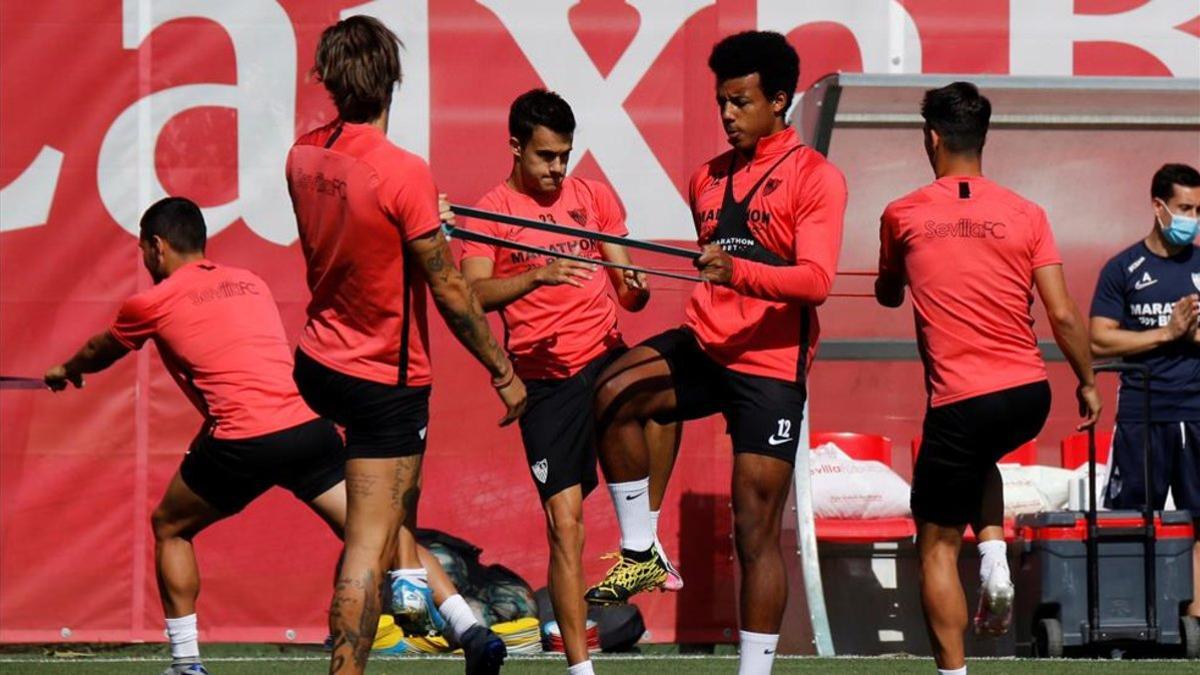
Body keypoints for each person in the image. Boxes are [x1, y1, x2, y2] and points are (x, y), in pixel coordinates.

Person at [42, 197, 470, 675]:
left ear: (157, 247)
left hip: (244, 442)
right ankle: (470, 627)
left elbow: (103, 349)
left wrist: (67, 368)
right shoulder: (249, 281)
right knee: (378, 534)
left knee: (170, 527)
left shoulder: (150, 302)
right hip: (308, 428)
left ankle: (186, 664)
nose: (145, 260)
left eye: (145, 250)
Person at [584, 31, 846, 674]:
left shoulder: (816, 177)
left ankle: (754, 672)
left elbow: (816, 281)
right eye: (720, 102)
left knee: (753, 532)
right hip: (706, 346)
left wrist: (738, 274)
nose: (727, 114)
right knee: (614, 391)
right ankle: (641, 548)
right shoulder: (706, 176)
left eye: (740, 101)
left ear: (778, 101)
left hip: (769, 367)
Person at [286, 16, 524, 675]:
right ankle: (354, 662)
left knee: (385, 517)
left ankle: (454, 621)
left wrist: (423, 221)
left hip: (317, 363)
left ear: (328, 82)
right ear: (392, 81)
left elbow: (361, 233)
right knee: (367, 539)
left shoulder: (302, 155)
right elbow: (449, 289)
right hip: (382, 382)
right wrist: (502, 370)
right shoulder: (403, 173)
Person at [874, 81, 1101, 675]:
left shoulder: (902, 213)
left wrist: (896, 278)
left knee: (936, 543)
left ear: (931, 138)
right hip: (1028, 394)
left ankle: (953, 671)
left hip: (960, 400)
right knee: (978, 456)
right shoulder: (1027, 213)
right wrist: (1089, 382)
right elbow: (1062, 313)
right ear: (982, 137)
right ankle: (996, 556)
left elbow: (889, 290)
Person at [455, 88, 679, 673]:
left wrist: (635, 288)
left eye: (565, 156)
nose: (558, 169)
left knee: (667, 387)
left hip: (606, 359)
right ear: (515, 147)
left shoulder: (593, 197)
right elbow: (472, 295)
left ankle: (642, 542)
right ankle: (581, 668)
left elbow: (627, 287)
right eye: (546, 156)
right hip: (546, 385)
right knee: (566, 527)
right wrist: (537, 278)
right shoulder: (490, 210)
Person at [1089, 162, 1200, 616]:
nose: (1192, 219)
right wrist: (1166, 333)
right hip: (1142, 413)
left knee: (1199, 520)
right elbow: (1098, 339)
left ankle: (1195, 620)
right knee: (1131, 518)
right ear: (1158, 207)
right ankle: (1128, 616)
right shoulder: (1124, 268)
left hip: (1195, 413)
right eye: (1185, 208)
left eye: (1198, 209)